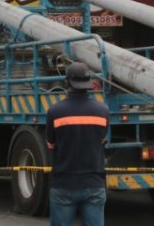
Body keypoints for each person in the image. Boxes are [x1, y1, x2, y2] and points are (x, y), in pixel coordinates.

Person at [45, 62, 109, 226]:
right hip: (94, 184)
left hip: (64, 184)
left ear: (67, 82)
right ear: (88, 83)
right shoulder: (103, 111)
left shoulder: (55, 112)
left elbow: (50, 144)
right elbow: (101, 141)